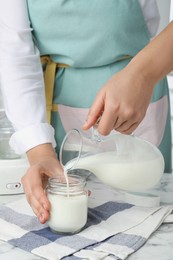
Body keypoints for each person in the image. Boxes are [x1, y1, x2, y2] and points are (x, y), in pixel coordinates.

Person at [0, 0, 172, 224]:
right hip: (60, 102)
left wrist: (142, 75)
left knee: (151, 220)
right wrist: (41, 153)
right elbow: (15, 52)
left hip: (141, 85)